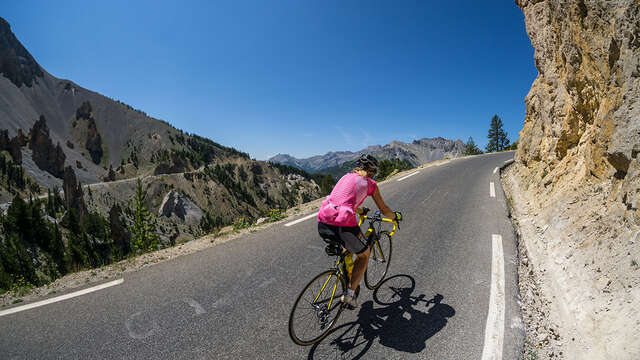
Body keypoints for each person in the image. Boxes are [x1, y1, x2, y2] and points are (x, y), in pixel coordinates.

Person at [317, 154, 402, 309]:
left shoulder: (345, 177)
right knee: (364, 255)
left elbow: (344, 201)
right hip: (342, 226)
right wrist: (395, 216)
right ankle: (349, 295)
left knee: (348, 248)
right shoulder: (371, 184)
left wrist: (361, 210)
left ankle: (347, 273)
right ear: (372, 171)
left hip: (323, 221)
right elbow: (384, 209)